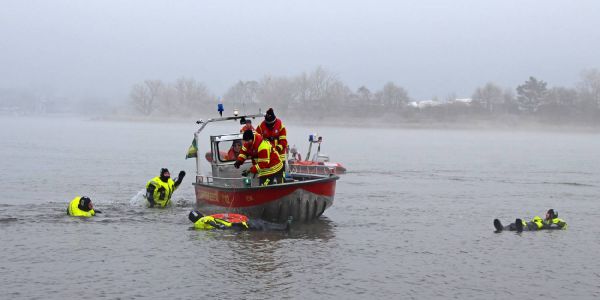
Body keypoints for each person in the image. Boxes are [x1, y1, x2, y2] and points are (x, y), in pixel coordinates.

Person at [188, 210, 290, 231]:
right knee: (259, 224)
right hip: (232, 226)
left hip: (231, 227)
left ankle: (282, 227)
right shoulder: (204, 219)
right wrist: (219, 226)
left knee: (258, 225)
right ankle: (283, 227)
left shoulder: (197, 226)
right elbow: (209, 222)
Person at [494, 209, 567, 232]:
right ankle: (502, 228)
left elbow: (561, 226)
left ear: (551, 215)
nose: (546, 214)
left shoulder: (557, 221)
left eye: (548, 213)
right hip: (530, 223)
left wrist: (544, 224)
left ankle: (521, 229)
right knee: (515, 224)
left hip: (534, 227)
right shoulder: (545, 220)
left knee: (525, 226)